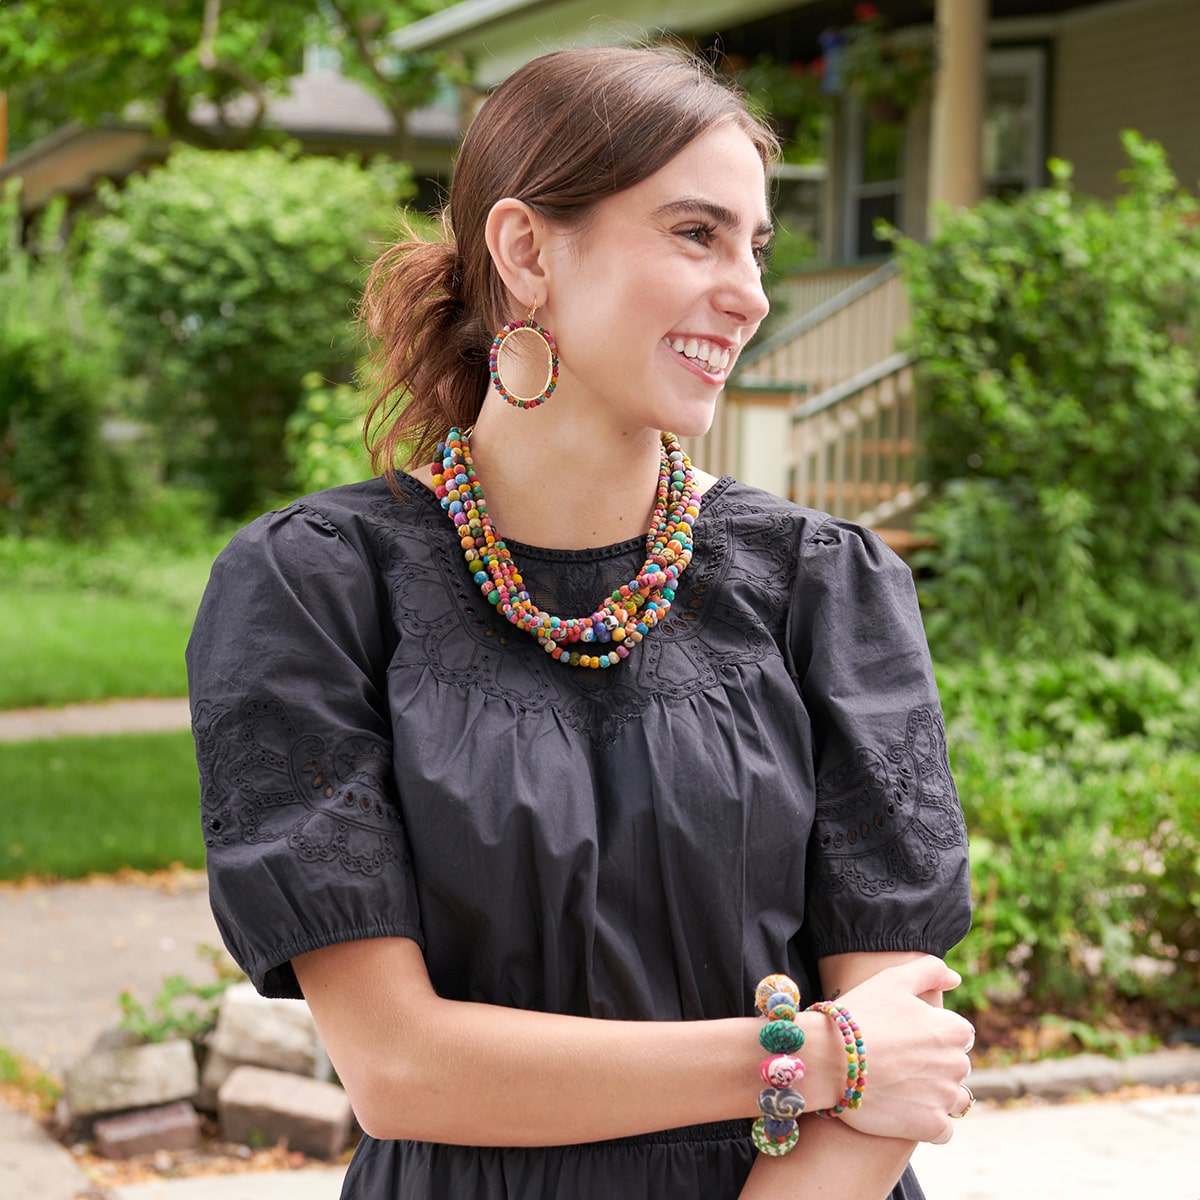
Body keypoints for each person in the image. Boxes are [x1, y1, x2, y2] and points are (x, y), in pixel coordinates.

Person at [187, 44, 974, 1200]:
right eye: (695, 233)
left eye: (757, 247)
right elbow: (403, 1069)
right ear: (525, 251)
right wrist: (814, 1057)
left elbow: (899, 1057)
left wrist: (853, 1068)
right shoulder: (313, 589)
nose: (750, 291)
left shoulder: (825, 585)